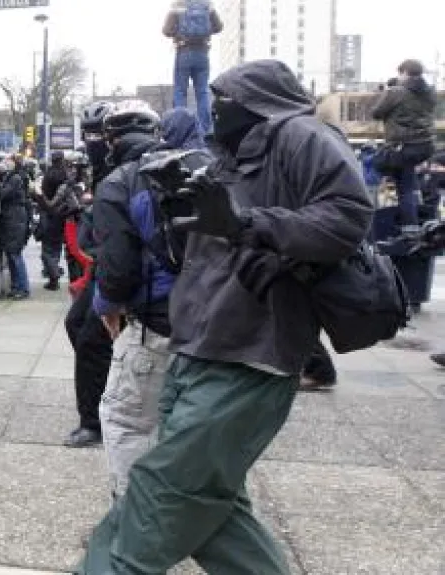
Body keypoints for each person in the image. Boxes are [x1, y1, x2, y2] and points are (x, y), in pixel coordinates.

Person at [78, 59, 373, 575]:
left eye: (224, 98)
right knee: (212, 503)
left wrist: (246, 223)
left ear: (258, 101)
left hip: (250, 351)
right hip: (198, 345)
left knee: (163, 491)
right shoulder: (226, 153)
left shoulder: (302, 136)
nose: (214, 108)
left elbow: (348, 217)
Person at [90, 99, 212, 497]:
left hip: (158, 325)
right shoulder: (204, 167)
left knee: (127, 422)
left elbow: (118, 269)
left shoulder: (120, 183)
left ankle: (133, 517)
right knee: (194, 432)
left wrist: (106, 307)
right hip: (220, 325)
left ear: (111, 140)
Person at [61, 101, 117, 448]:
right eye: (88, 134)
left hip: (115, 264)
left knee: (91, 339)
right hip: (101, 263)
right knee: (75, 325)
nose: (91, 141)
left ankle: (93, 421)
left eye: (98, 134)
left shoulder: (120, 166)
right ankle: (104, 395)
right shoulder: (99, 169)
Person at [372, 59, 437, 228]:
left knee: (376, 164)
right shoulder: (429, 92)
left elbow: (376, 112)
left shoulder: (396, 92)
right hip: (425, 146)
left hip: (403, 146)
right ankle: (414, 218)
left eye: (399, 74)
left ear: (405, 72)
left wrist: (387, 91)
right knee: (407, 179)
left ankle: (409, 227)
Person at [162, 0, 223, 135]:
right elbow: (219, 27)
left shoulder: (178, 4)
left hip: (183, 51)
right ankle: (205, 130)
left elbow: (166, 31)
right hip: (202, 52)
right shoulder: (207, 5)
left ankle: (179, 128)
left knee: (180, 91)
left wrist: (179, 33)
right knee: (202, 92)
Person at [0, 157, 31, 299]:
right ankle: (16, 287)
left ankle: (23, 288)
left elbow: (3, 193)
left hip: (15, 222)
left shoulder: (15, 179)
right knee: (11, 256)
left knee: (15, 255)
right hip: (12, 221)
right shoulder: (11, 178)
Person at [34, 150, 69, 291]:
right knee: (56, 247)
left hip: (48, 215)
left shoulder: (48, 175)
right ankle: (54, 274)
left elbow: (42, 195)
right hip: (62, 215)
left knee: (47, 250)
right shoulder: (66, 174)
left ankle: (54, 276)